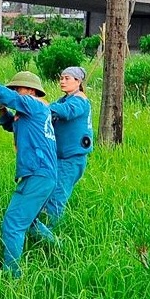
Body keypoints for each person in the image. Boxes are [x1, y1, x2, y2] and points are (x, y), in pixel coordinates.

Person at [0, 69, 58, 277]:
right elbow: (9, 125)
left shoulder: (34, 105)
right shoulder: (32, 113)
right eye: (13, 88)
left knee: (13, 224)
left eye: (18, 88)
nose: (15, 91)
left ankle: (11, 274)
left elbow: (10, 97)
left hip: (37, 173)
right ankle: (60, 251)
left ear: (32, 90)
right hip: (43, 175)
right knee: (30, 221)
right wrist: (1, 107)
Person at [37, 66, 93, 230]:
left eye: (67, 78)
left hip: (71, 159)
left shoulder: (79, 100)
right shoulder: (64, 100)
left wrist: (41, 103)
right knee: (49, 193)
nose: (62, 81)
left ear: (78, 81)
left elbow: (67, 112)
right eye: (61, 78)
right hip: (60, 157)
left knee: (57, 196)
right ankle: (44, 228)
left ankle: (50, 235)